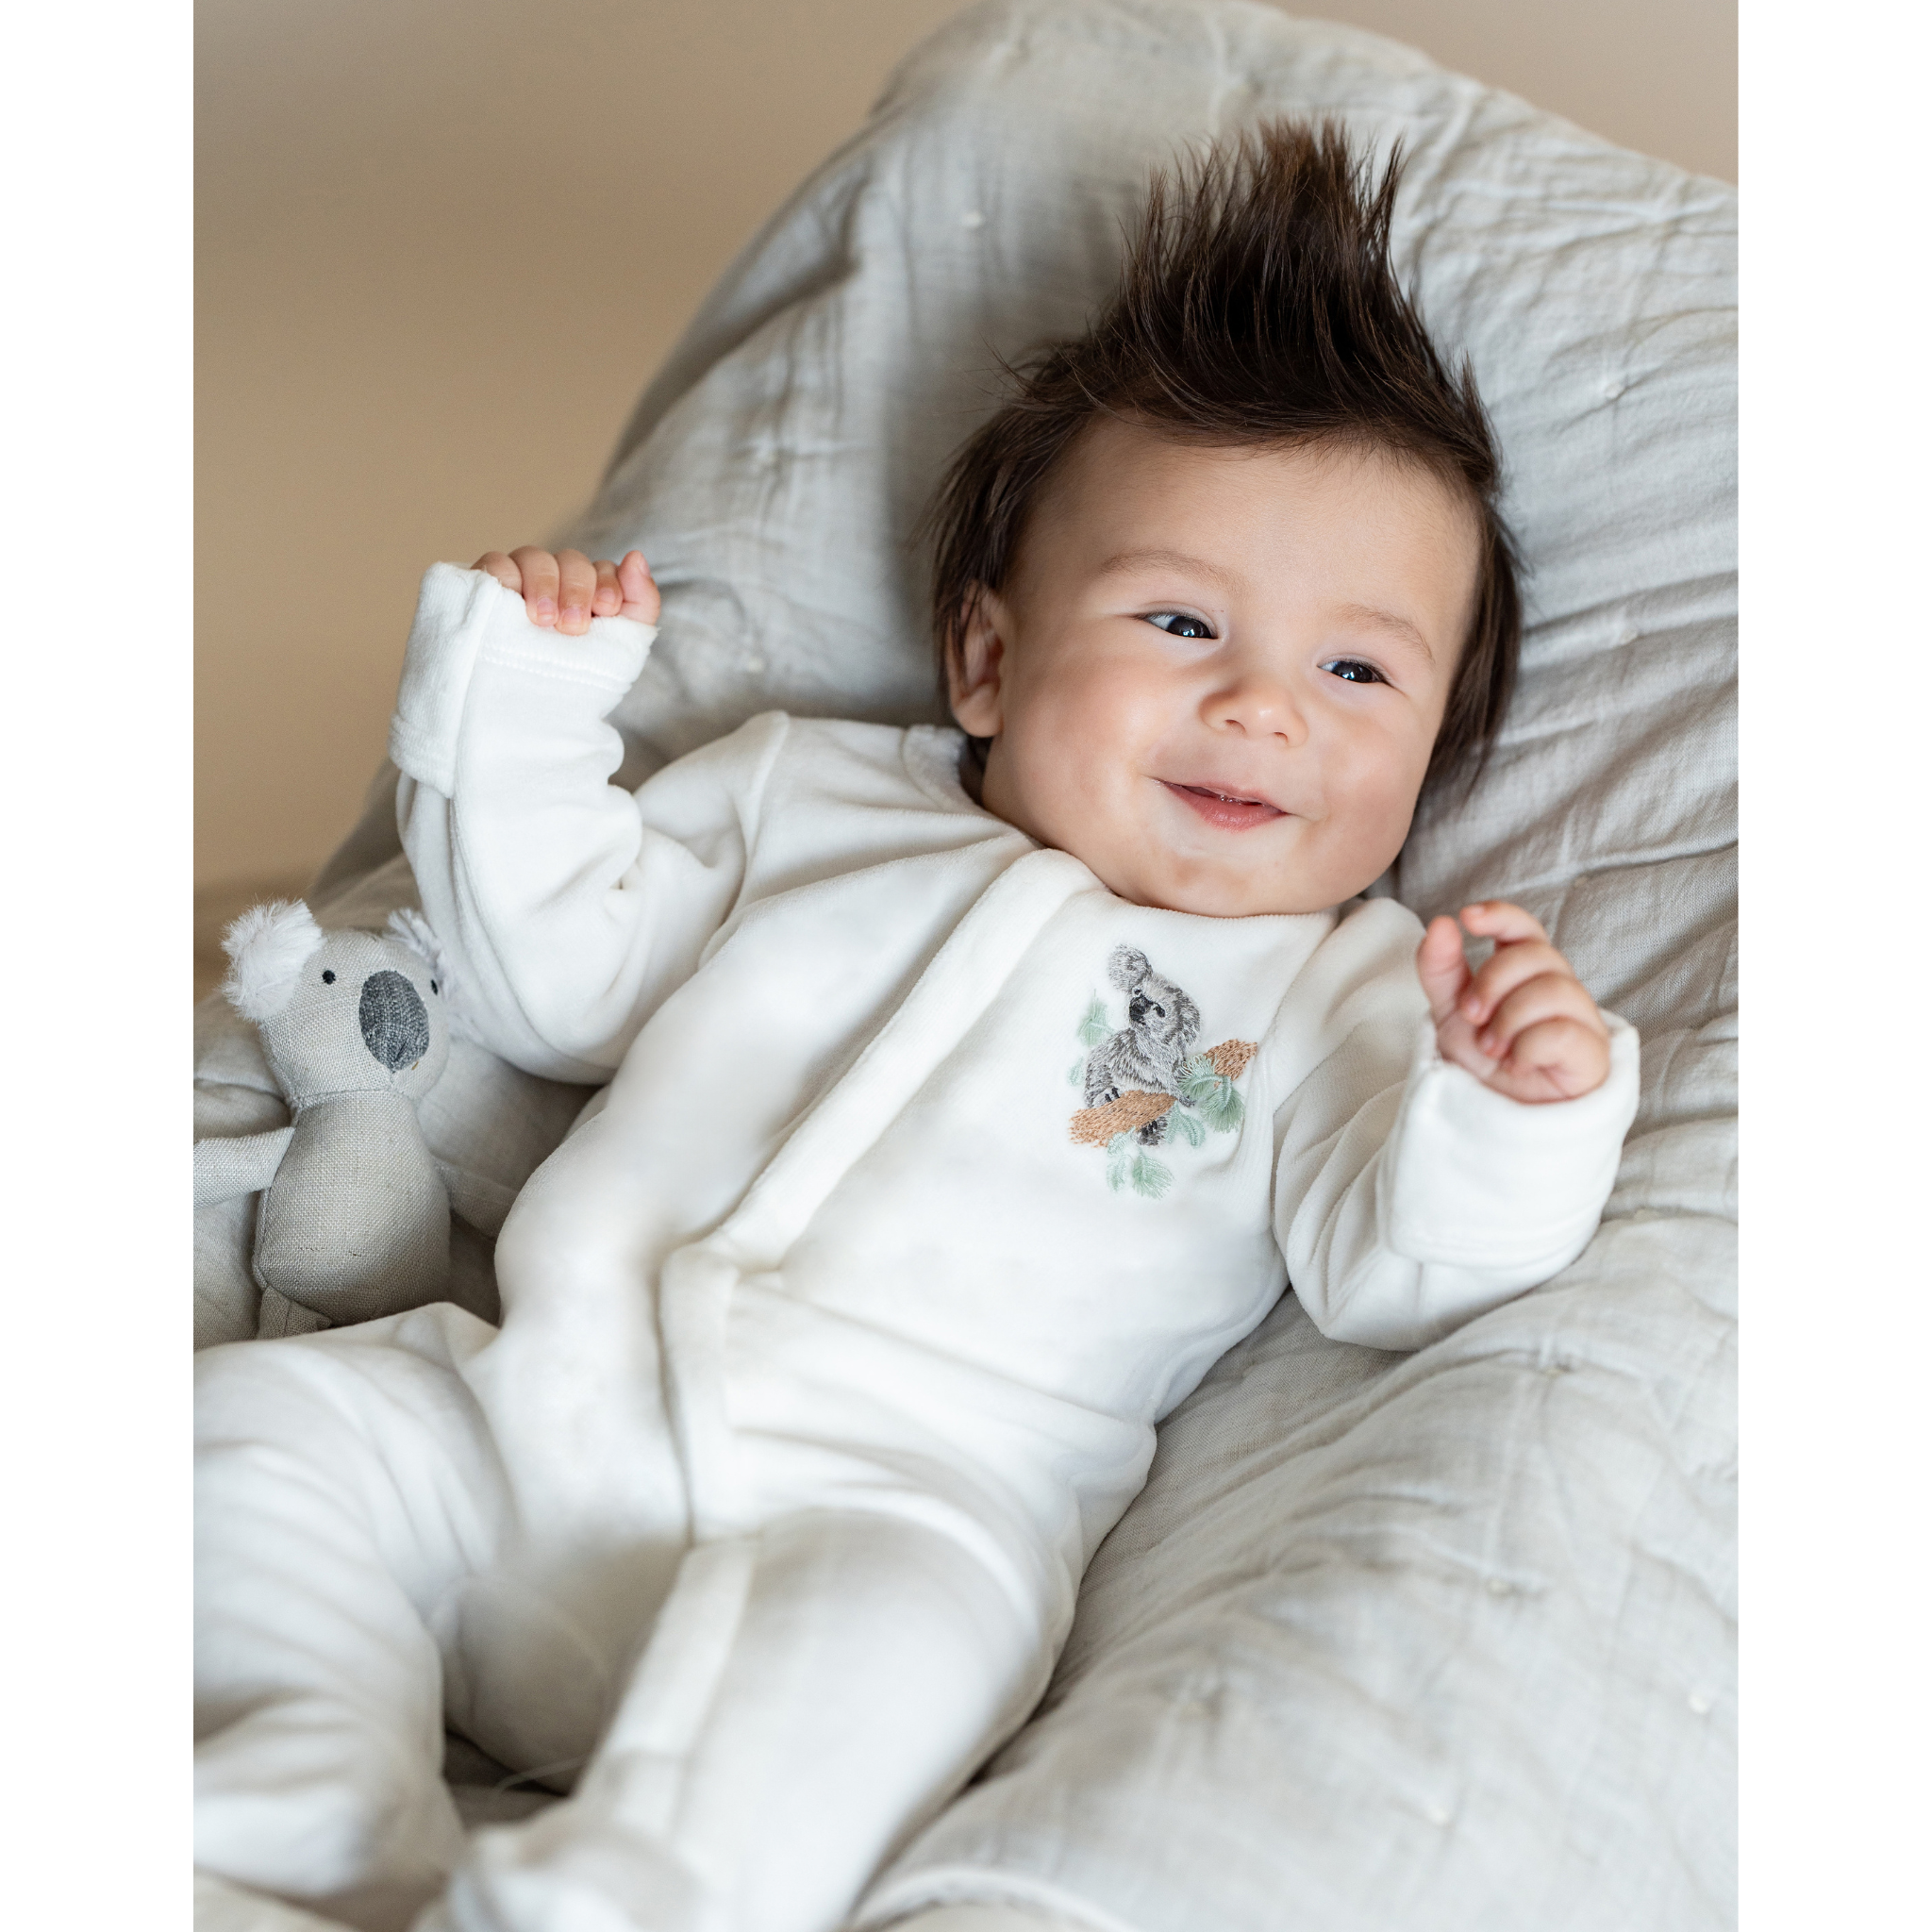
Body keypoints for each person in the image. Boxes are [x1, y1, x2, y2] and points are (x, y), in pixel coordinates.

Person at [195, 122, 1639, 1932]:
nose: (1264, 706)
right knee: (253, 1440)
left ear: (1430, 757)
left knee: (885, 1663)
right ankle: (291, 1816)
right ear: (987, 660)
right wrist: (520, 718)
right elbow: (548, 984)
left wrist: (1512, 1107)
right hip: (526, 1423)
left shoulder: (1345, 987)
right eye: (1181, 619)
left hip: (901, 1508)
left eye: (1358, 670)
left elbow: (1400, 1269)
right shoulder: (806, 796)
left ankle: (632, 1896)